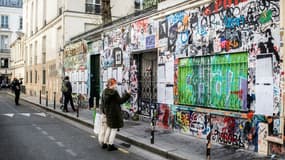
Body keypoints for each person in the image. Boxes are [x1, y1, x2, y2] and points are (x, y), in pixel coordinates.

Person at [100, 78, 131, 151]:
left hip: (108, 113)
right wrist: (128, 94)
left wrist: (104, 111)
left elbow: (103, 103)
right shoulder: (114, 92)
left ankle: (104, 143)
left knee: (109, 127)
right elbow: (120, 101)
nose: (116, 85)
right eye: (115, 84)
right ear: (112, 84)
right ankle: (110, 145)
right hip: (115, 113)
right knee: (114, 129)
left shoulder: (104, 92)